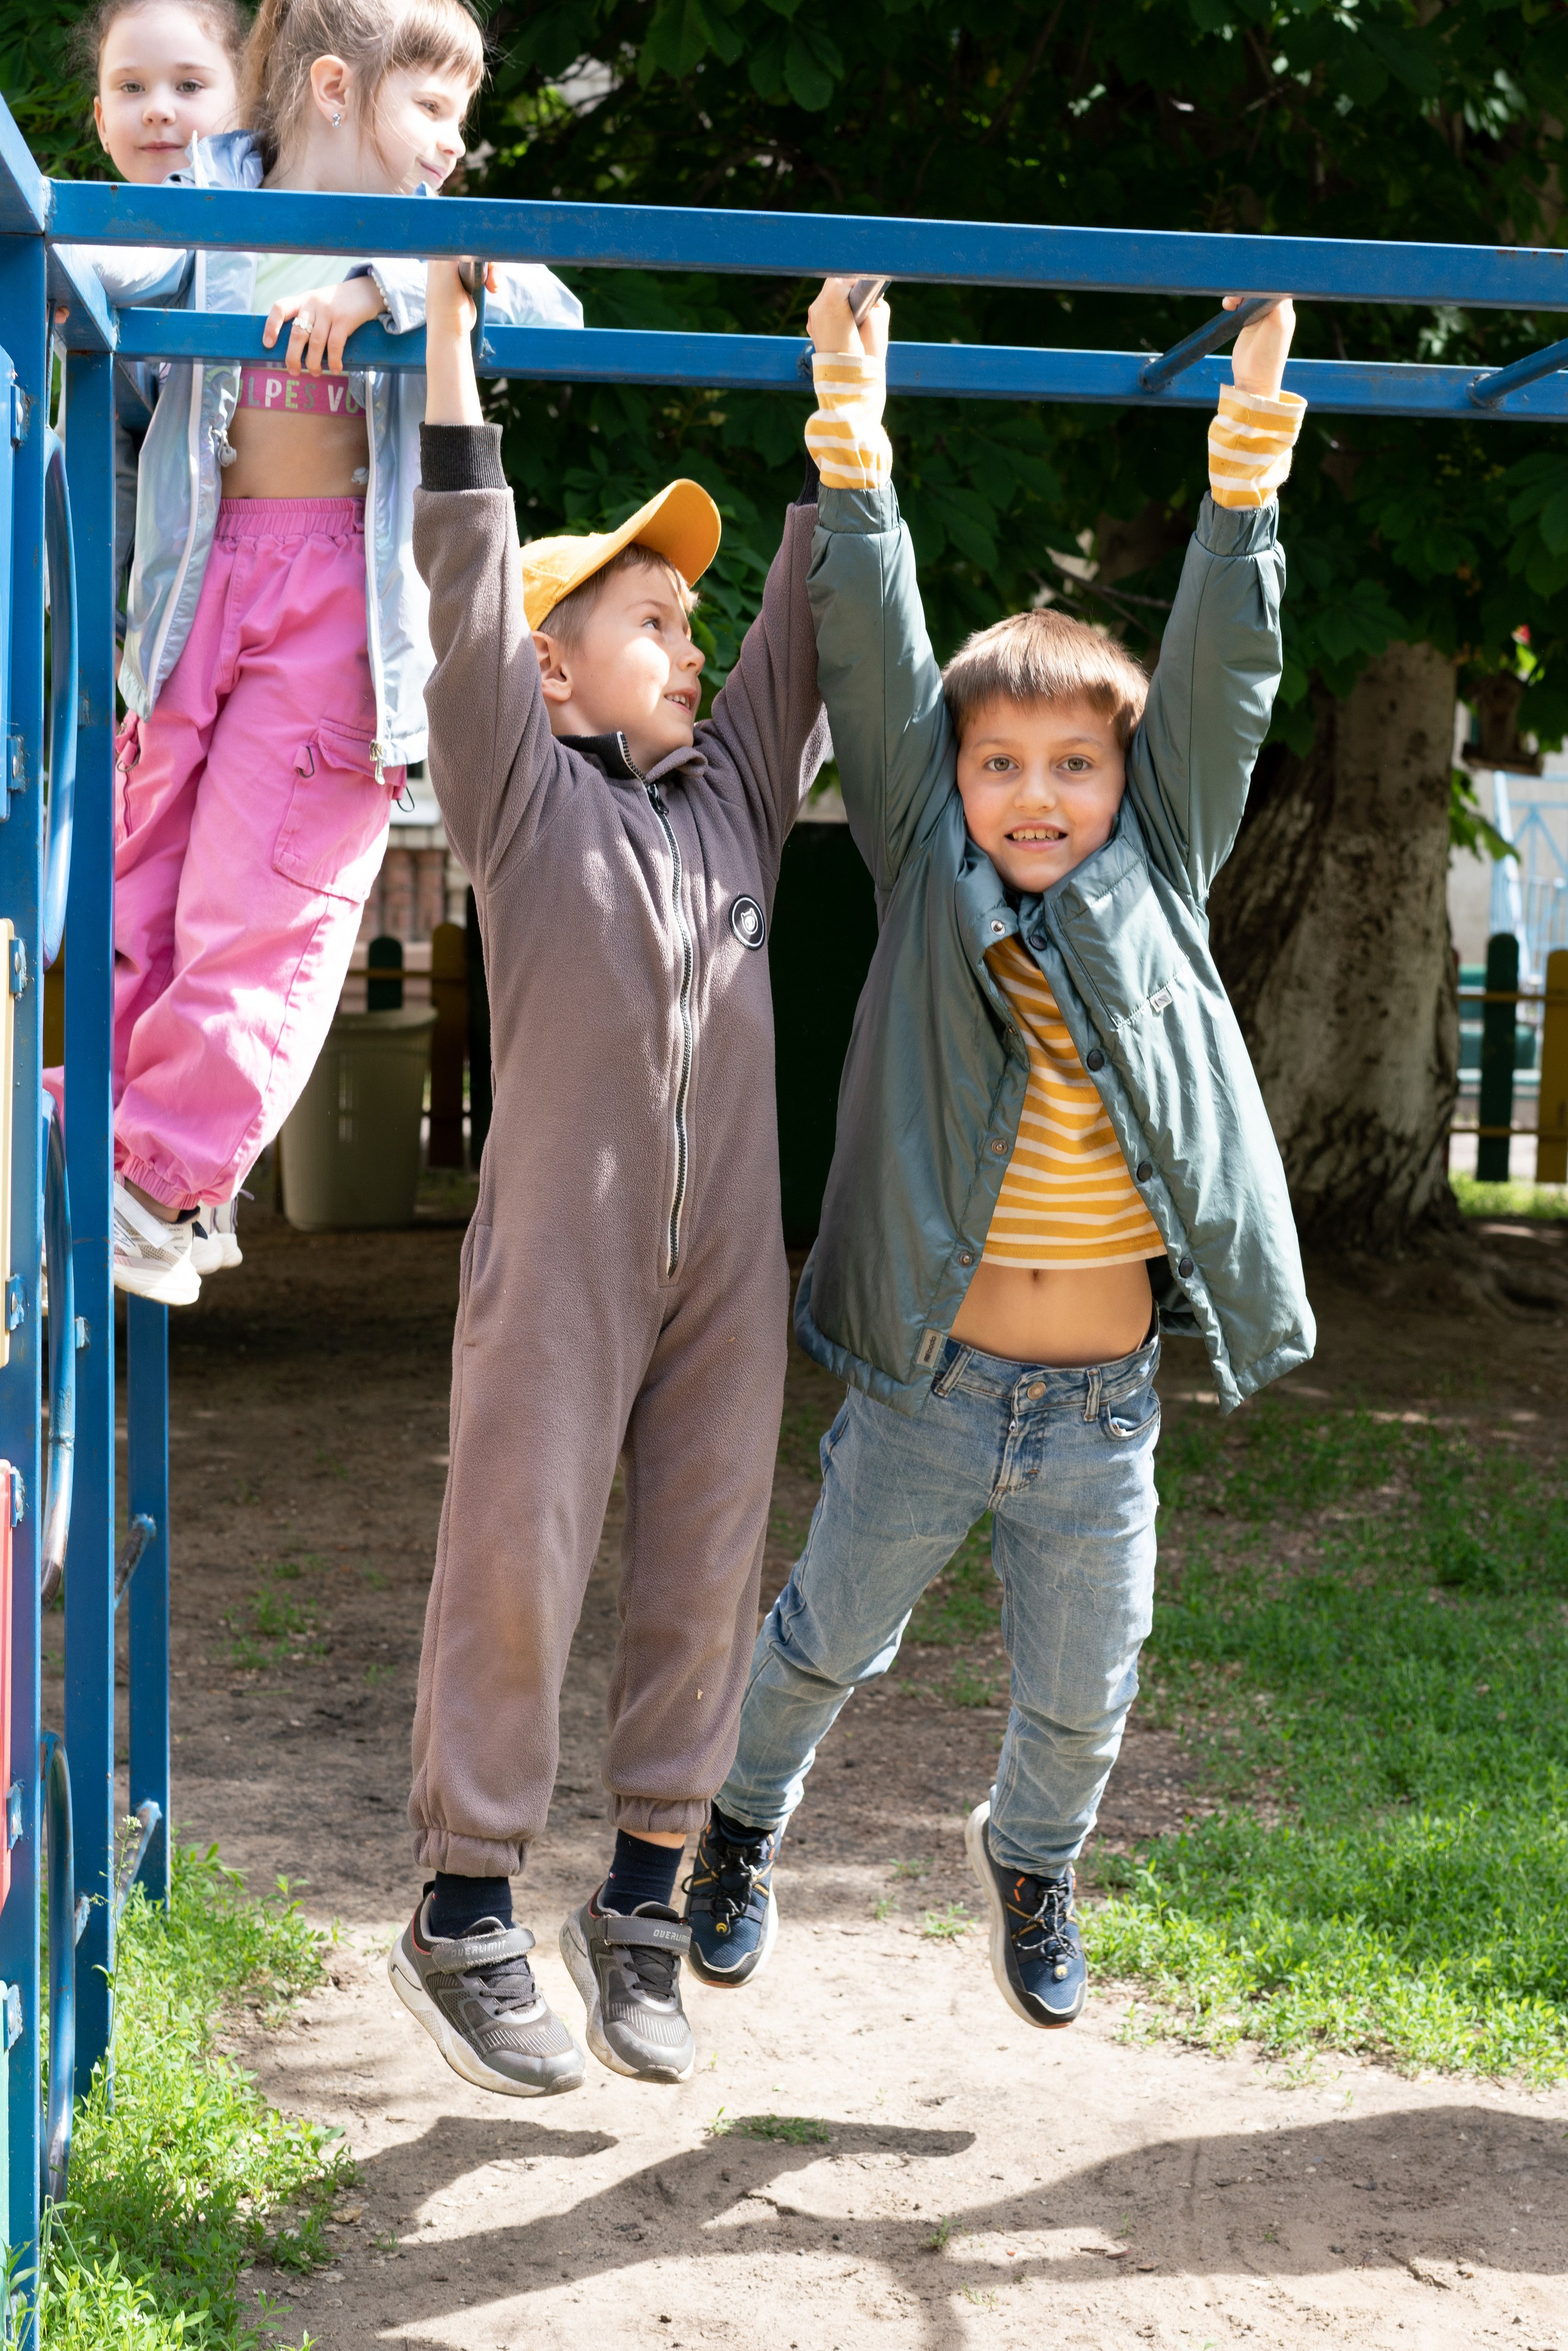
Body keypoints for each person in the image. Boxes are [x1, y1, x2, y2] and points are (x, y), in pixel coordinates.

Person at [680, 280, 1316, 2032]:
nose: (1037, 795)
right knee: (826, 1635)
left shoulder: (1163, 864)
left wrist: (1248, 447)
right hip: (932, 1380)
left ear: (1129, 780)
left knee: (1086, 1689)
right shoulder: (923, 869)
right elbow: (877, 646)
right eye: (1001, 764)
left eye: (1075, 766)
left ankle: (1033, 1863)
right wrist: (852, 433)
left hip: (1106, 1403)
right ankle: (741, 1824)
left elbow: (1222, 672)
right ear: (946, 781)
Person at [386, 255, 830, 2098]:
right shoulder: (521, 791)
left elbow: (804, 634)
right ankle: (465, 1907)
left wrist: (839, 421)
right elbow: (466, 580)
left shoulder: (731, 802)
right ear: (558, 667)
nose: (694, 637)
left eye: (693, 613)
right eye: (655, 616)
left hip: (725, 1255)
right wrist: (450, 341)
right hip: (563, 1255)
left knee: (708, 1560)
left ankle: (639, 1905)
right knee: (520, 1551)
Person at [97, 0, 580, 1302]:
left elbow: (552, 299)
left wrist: (394, 285)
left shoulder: (429, 241)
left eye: (463, 119)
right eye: (432, 109)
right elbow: (110, 273)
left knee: (264, 900)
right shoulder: (210, 192)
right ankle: (97, 1155)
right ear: (330, 89)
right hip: (196, 596)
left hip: (331, 611)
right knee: (136, 894)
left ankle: (168, 1176)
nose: (453, 144)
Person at [62, 0, 247, 601]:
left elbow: (145, 260)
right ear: (99, 118)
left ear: (244, 100)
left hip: (285, 565)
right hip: (177, 595)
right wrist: (100, 625)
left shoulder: (267, 207)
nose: (158, 109)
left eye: (189, 85)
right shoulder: (105, 257)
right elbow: (104, 465)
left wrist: (53, 262)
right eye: (131, 87)